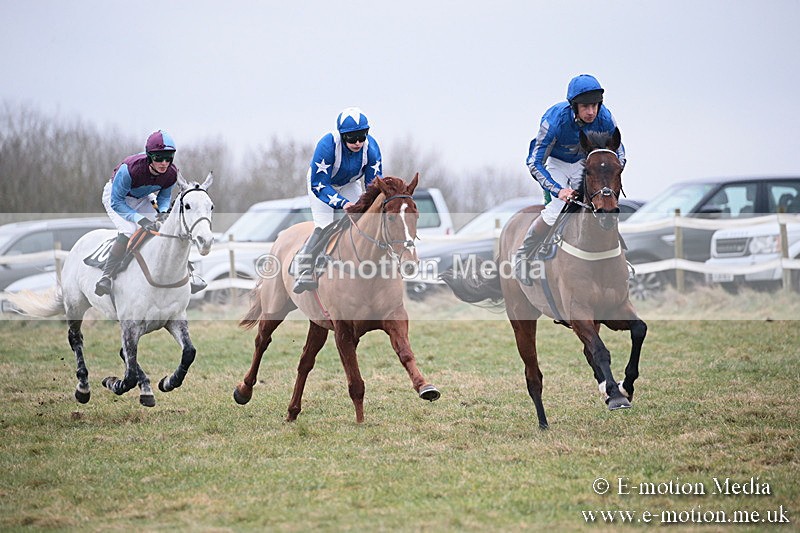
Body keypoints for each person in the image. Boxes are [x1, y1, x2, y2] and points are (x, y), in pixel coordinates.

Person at [514, 74, 626, 285]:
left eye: (594, 105)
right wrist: (558, 190)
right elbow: (533, 162)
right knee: (557, 208)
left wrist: (611, 178)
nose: (591, 112)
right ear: (574, 106)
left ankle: (614, 258)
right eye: (585, 106)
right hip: (556, 163)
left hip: (586, 164)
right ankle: (524, 254)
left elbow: (619, 155)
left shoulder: (606, 119)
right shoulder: (554, 122)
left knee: (599, 206)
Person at [94, 130, 206, 296]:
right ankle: (106, 276)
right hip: (117, 197)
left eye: (168, 157)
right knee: (129, 230)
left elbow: (164, 197)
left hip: (143, 196)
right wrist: (140, 219)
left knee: (166, 227)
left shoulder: (171, 173)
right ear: (149, 156)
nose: (164, 163)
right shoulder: (129, 170)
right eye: (158, 158)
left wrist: (162, 213)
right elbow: (117, 202)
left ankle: (189, 273)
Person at [292, 107, 383, 294]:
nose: (358, 143)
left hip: (349, 183)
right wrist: (342, 203)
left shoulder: (371, 149)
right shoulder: (326, 145)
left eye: (362, 136)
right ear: (342, 136)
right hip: (323, 184)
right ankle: (304, 266)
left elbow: (373, 186)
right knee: (325, 225)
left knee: (362, 221)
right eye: (352, 138)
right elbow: (319, 185)